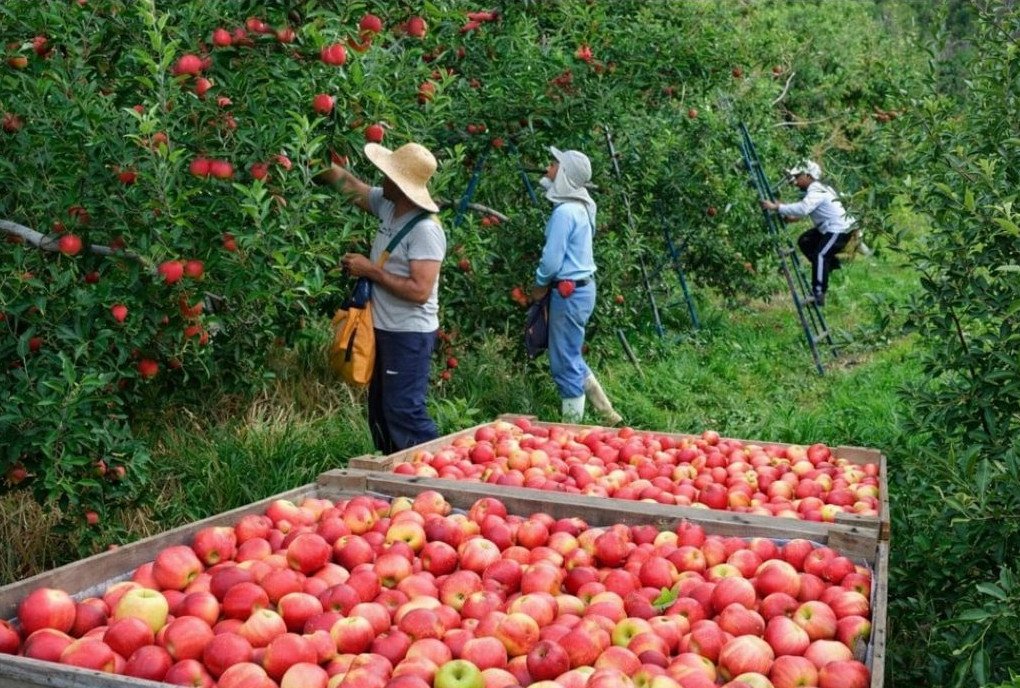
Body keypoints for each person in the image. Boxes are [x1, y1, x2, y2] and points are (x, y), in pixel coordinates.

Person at [316, 142, 446, 453]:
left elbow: (420, 290)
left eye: (388, 175)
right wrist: (314, 161)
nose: (381, 178)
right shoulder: (390, 207)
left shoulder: (425, 230)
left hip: (409, 334)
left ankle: (438, 476)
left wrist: (370, 271)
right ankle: (395, 479)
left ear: (400, 186)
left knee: (404, 412)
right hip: (384, 330)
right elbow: (351, 187)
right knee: (381, 413)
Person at [531, 146, 622, 425]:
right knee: (569, 352)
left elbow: (552, 259)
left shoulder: (565, 212)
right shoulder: (583, 206)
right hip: (582, 289)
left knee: (563, 361)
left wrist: (539, 283)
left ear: (565, 175)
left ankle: (570, 429)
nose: (548, 168)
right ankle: (607, 413)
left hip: (567, 292)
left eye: (554, 165)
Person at [761, 159, 856, 306]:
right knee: (805, 241)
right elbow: (807, 211)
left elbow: (804, 208)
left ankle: (818, 294)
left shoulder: (816, 190)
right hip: (828, 228)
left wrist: (777, 207)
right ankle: (829, 265)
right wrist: (791, 217)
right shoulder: (816, 189)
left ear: (808, 176)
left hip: (839, 229)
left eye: (798, 177)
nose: (795, 181)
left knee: (820, 255)